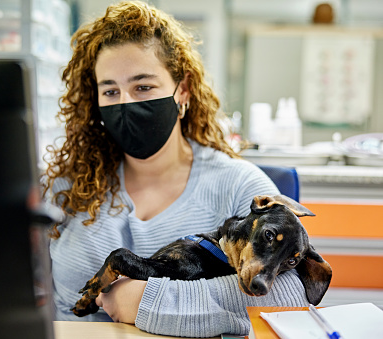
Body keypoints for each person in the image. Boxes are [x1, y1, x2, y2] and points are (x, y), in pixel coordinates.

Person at [41, 1, 307, 337]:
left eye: (143, 87)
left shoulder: (239, 186)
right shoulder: (65, 186)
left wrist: (150, 303)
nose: (126, 103)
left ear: (182, 90)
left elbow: (292, 298)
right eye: (110, 91)